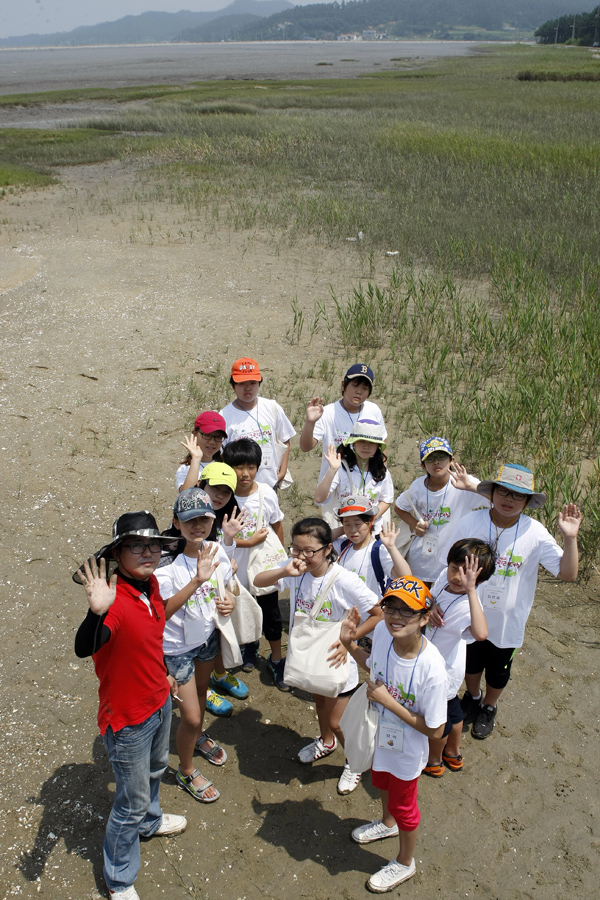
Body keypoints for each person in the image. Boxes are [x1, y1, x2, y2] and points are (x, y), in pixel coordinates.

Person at [74, 511, 188, 900]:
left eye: (154, 545)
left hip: (159, 701)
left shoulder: (151, 584)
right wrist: (95, 612)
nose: (148, 552)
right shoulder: (113, 601)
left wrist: (164, 674)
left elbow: (153, 633)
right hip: (126, 720)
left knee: (157, 769)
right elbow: (83, 647)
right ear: (118, 553)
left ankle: (150, 823)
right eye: (136, 545)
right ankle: (119, 878)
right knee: (130, 800)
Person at [452, 463, 582, 739]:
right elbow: (449, 565)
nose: (509, 500)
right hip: (469, 613)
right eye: (504, 492)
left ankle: (489, 706)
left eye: (518, 496)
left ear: (527, 501)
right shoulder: (469, 522)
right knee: (470, 662)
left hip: (508, 621)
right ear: (492, 492)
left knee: (499, 670)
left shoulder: (534, 533)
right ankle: (473, 697)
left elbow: (567, 573)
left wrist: (570, 538)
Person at [253, 517, 381, 796]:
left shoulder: (344, 580)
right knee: (320, 703)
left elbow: (379, 612)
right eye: (296, 549)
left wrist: (351, 638)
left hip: (336, 659)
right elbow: (257, 580)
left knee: (338, 720)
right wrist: (284, 571)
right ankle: (326, 741)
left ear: (327, 549)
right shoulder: (295, 572)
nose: (302, 557)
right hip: (310, 656)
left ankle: (354, 762)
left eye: (309, 551)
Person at [340, 576, 447, 893]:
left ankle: (404, 861)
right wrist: (350, 645)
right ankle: (387, 825)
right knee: (380, 781)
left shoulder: (433, 669)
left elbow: (436, 729)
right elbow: (373, 671)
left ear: (425, 617)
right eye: (390, 607)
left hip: (408, 750)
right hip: (381, 735)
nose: (396, 617)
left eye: (408, 612)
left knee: (405, 808)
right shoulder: (385, 636)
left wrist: (389, 702)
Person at [155, 488, 246, 802]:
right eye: (189, 519)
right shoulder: (165, 566)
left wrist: (230, 602)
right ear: (176, 524)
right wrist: (196, 580)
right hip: (176, 649)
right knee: (191, 715)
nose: (198, 525)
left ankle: (195, 736)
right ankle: (186, 769)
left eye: (204, 518)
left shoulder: (216, 549)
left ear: (213, 520)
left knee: (202, 693)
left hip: (207, 637)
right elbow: (160, 614)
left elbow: (226, 586)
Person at [421, 539, 494, 776]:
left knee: (438, 717)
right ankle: (453, 753)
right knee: (453, 712)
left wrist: (472, 591)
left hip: (445, 670)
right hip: (430, 660)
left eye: (466, 575)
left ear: (479, 581)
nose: (456, 577)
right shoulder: (444, 576)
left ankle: (434, 760)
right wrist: (430, 607)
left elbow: (481, 633)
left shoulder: (469, 605)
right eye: (454, 568)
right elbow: (429, 595)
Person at [222, 437, 287, 686]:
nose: (245, 473)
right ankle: (250, 645)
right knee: (244, 607)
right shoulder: (223, 497)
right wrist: (247, 543)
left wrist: (280, 560)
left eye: (251, 467)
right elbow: (219, 538)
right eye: (239, 467)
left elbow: (277, 525)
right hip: (235, 566)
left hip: (263, 566)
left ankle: (277, 657)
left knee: (271, 612)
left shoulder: (266, 493)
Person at [299, 364, 386, 525]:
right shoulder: (328, 413)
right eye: (354, 385)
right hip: (336, 488)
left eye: (365, 388)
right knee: (338, 538)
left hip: (368, 488)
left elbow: (382, 445)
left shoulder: (373, 410)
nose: (359, 391)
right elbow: (305, 446)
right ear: (343, 385)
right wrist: (310, 422)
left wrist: (379, 475)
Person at [394, 436, 486, 587]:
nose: (436, 462)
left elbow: (495, 498)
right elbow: (399, 507)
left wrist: (470, 487)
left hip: (453, 560)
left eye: (441, 457)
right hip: (421, 559)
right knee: (420, 603)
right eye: (430, 459)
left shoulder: (465, 482)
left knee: (445, 603)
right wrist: (415, 523)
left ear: (451, 460)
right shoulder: (417, 487)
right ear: (423, 466)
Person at [219, 356, 296, 488]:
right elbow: (220, 454)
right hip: (238, 487)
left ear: (259, 383)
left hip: (269, 484)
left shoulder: (272, 407)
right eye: (242, 383)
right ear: (233, 385)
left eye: (253, 383)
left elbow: (285, 439)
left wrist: (281, 473)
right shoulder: (224, 416)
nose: (248, 388)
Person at [314, 420, 393, 535]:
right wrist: (332, 470)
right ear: (353, 444)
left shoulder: (382, 471)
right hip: (345, 531)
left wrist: (369, 520)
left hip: (374, 531)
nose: (366, 446)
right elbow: (319, 498)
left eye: (371, 442)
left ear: (378, 446)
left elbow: (386, 499)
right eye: (361, 441)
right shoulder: (341, 468)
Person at [333, 495, 410, 598]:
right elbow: (320, 539)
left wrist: (391, 547)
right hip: (345, 612)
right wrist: (344, 529)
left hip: (372, 613)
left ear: (371, 521)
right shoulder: (343, 545)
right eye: (347, 524)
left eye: (357, 524)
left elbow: (406, 577)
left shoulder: (378, 550)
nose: (353, 530)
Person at [175, 411, 228, 492]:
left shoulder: (226, 466)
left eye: (218, 437)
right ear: (194, 434)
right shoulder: (185, 469)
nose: (212, 442)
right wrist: (196, 459)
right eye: (207, 435)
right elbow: (185, 497)